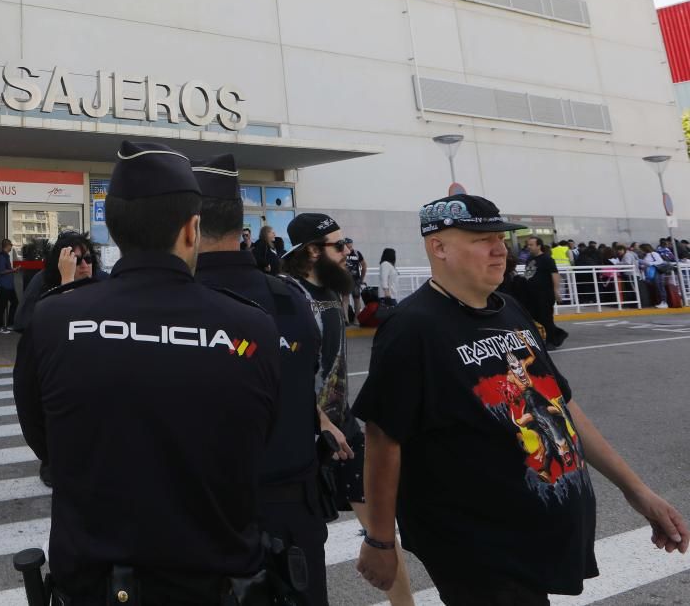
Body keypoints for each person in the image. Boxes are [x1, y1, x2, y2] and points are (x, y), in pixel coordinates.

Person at [354, 194, 689, 604]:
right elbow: (383, 439)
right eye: (481, 239)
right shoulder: (412, 328)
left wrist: (636, 490)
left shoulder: (509, 309)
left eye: (500, 237)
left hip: (531, 538)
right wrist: (381, 540)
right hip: (478, 549)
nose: (500, 250)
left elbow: (560, 403)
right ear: (438, 247)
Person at [13, 141, 280, 604]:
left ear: (114, 229)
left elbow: (44, 440)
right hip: (214, 584)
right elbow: (259, 438)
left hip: (93, 585)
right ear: (192, 230)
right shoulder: (250, 327)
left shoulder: (53, 321)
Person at [193, 153, 331, 605]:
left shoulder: (167, 305)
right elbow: (302, 379)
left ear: (189, 225)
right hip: (292, 516)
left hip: (202, 516)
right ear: (240, 223)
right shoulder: (290, 300)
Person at [281, 213, 414, 605]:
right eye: (339, 246)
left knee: (382, 534)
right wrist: (318, 419)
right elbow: (282, 372)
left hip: (346, 434)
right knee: (300, 548)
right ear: (311, 252)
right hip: (305, 440)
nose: (348, 252)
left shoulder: (334, 290)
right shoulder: (287, 298)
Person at [12, 230, 102, 488]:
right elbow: (32, 326)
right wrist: (66, 280)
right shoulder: (43, 286)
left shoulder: (102, 284)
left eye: (88, 259)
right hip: (55, 384)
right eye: (76, 260)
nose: (84, 265)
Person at [524, 236, 568, 348]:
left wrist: (556, 291)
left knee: (546, 317)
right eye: (528, 245)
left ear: (539, 246)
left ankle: (551, 341)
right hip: (531, 294)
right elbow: (528, 275)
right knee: (534, 317)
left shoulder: (547, 259)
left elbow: (555, 275)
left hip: (545, 293)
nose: (529, 247)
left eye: (531, 245)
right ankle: (556, 334)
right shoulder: (529, 259)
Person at [0, 239, 19, 334]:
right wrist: (13, 270)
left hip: (9, 285)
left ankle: (9, 324)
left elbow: (5, 269)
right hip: (4, 285)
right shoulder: (1, 257)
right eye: (11, 245)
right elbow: (1, 271)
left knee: (15, 303)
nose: (11, 246)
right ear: (7, 245)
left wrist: (13, 270)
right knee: (2, 306)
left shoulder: (6, 256)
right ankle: (0, 326)